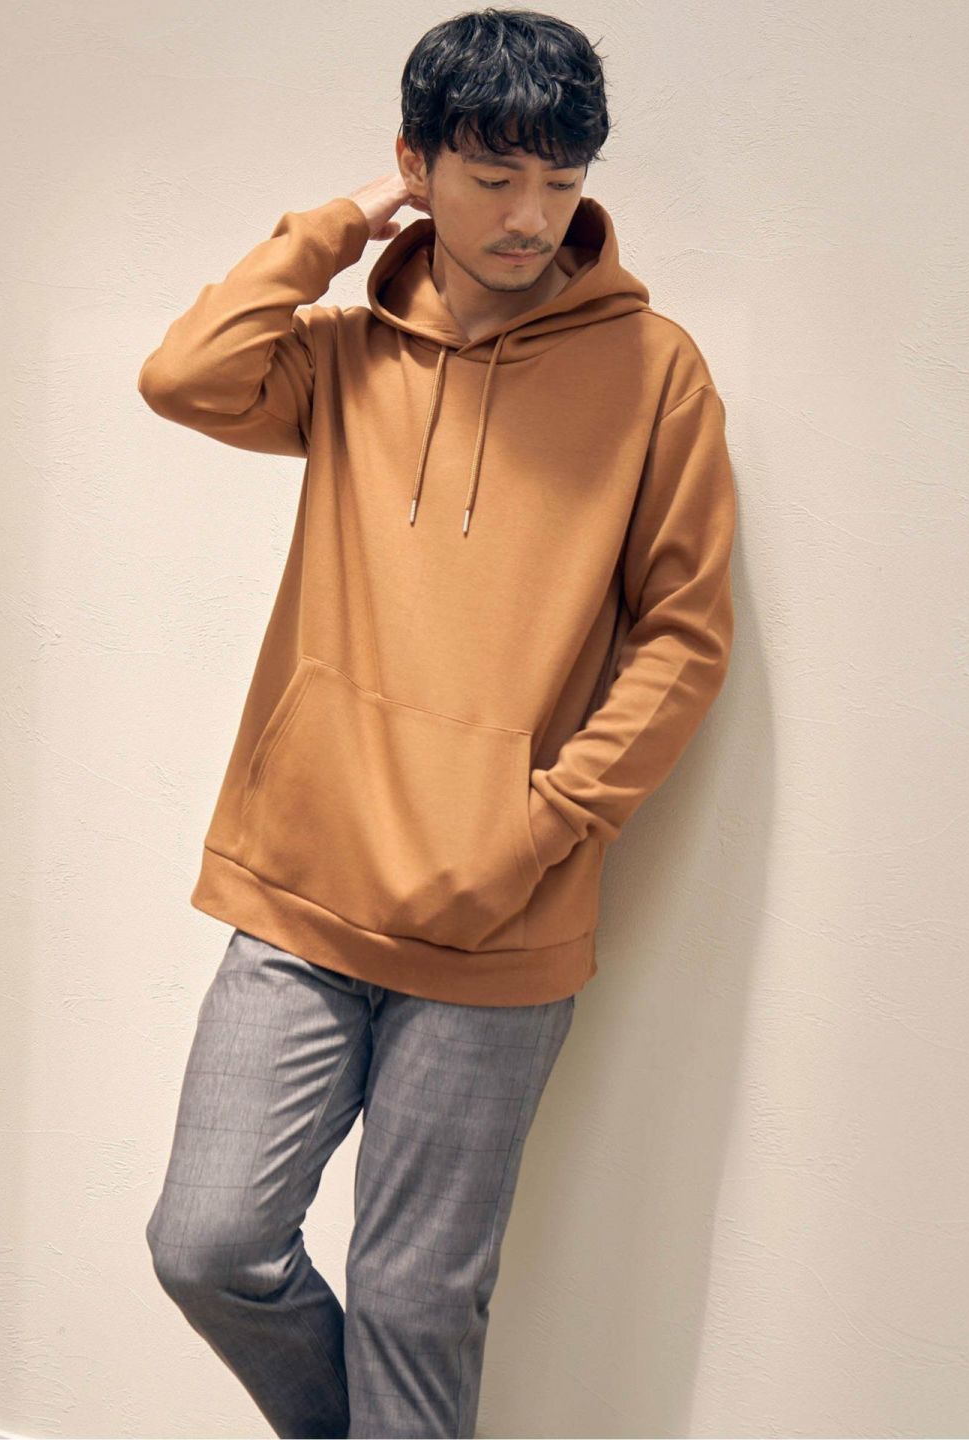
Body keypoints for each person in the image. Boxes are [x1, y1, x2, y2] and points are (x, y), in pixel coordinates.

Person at [136, 8, 736, 1437]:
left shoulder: (655, 372)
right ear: (417, 165)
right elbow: (184, 377)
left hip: (498, 921)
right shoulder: (346, 359)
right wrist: (338, 226)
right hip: (301, 890)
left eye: (562, 180)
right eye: (492, 175)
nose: (532, 216)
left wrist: (539, 827)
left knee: (415, 1301)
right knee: (208, 1245)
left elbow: (683, 634)